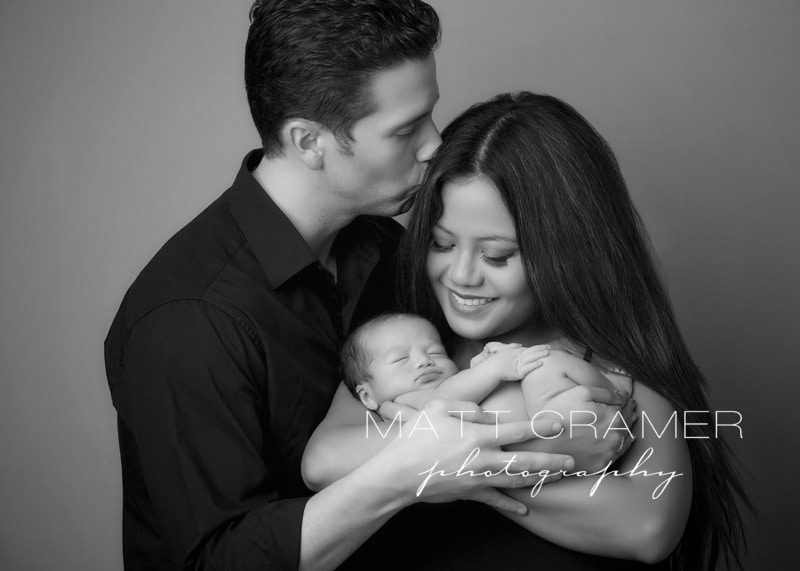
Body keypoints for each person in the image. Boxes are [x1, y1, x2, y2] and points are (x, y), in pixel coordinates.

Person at [104, 3, 614, 569]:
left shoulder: (390, 248)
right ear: (308, 141)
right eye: (405, 129)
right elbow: (216, 560)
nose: (435, 145)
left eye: (430, 115)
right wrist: (406, 472)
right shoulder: (188, 319)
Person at [305, 92, 749, 568]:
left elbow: (646, 528)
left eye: (496, 255)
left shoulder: (611, 373)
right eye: (442, 244)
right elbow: (323, 462)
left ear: (566, 252)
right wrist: (530, 446)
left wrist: (423, 465)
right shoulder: (409, 339)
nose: (460, 276)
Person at [338, 312, 631, 463]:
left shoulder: (460, 382)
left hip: (562, 417)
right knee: (545, 366)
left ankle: (609, 387)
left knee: (543, 364)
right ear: (367, 395)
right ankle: (608, 389)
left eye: (436, 352)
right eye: (401, 359)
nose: (424, 361)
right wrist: (492, 370)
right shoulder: (403, 404)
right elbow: (442, 401)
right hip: (550, 433)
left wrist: (483, 365)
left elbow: (460, 389)